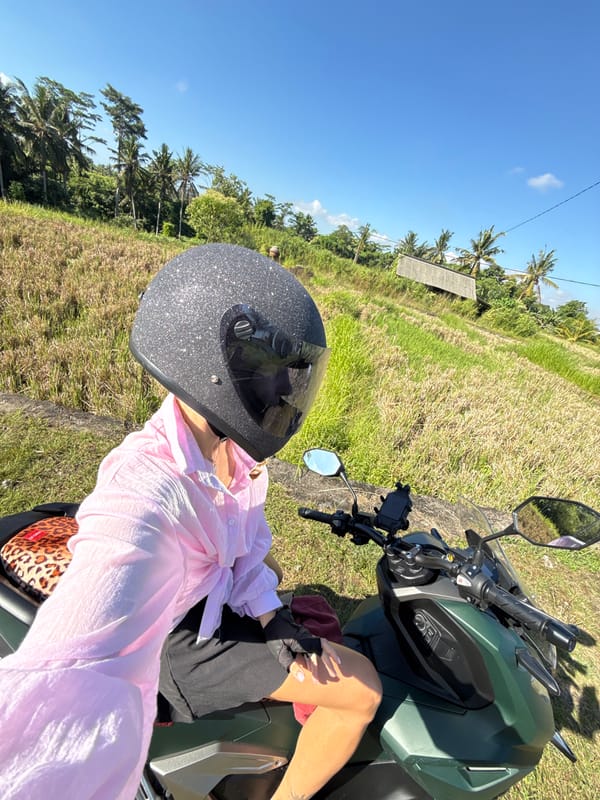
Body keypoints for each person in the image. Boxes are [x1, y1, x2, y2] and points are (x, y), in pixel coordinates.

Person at [0, 243, 382, 800]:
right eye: (266, 373)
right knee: (363, 691)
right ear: (210, 370)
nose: (283, 393)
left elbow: (248, 543)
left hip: (211, 603)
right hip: (178, 644)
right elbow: (75, 663)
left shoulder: (230, 451)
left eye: (288, 376)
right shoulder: (147, 488)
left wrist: (271, 614)